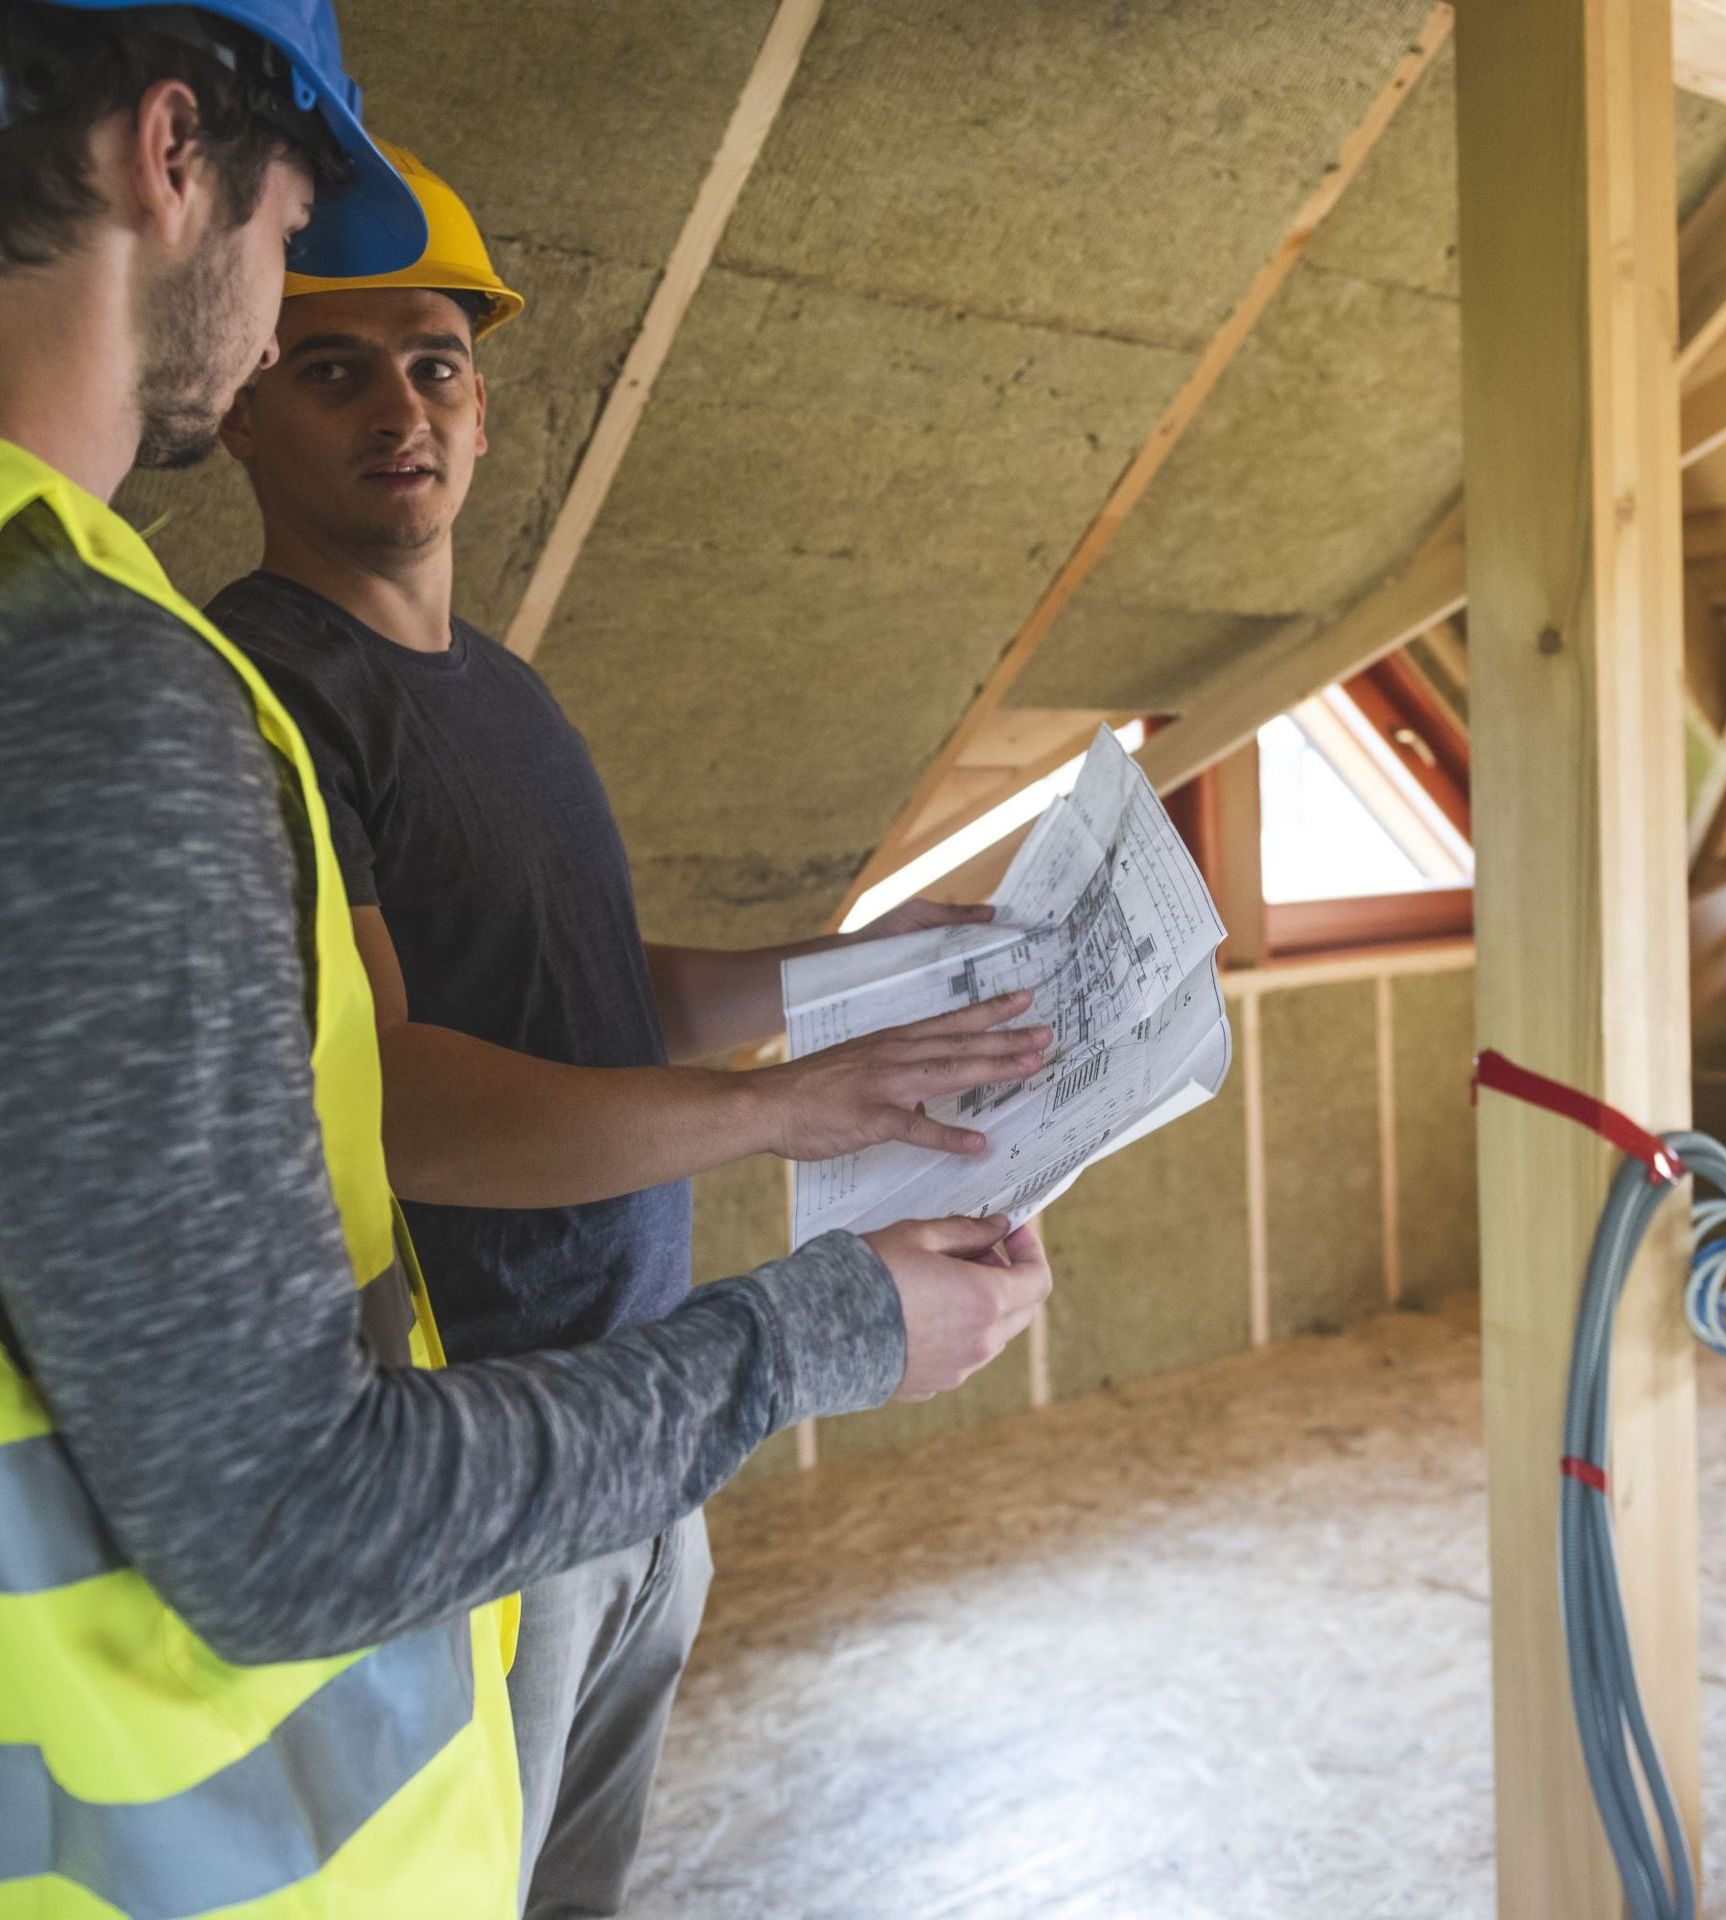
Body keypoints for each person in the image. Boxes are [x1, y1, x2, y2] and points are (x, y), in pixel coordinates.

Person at [0, 5, 1052, 1915]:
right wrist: (821, 1311)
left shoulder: (292, 675)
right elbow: (289, 1514)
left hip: (548, 1470)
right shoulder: (118, 691)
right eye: (299, 209)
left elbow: (582, 980)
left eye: (433, 357)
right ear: (172, 153)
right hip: (266, 1786)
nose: (308, 267)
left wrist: (840, 988)